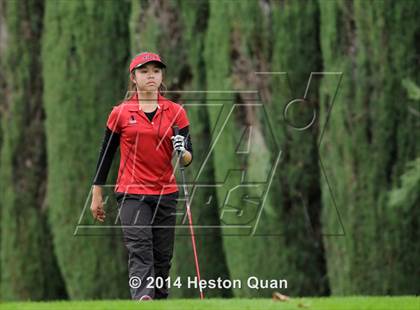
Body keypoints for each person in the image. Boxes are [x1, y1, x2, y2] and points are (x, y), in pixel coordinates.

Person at [90, 52, 193, 301]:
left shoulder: (176, 112)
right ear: (133, 78)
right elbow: (106, 153)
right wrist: (97, 192)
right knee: (140, 248)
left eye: (156, 71)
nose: (151, 76)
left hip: (166, 194)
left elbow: (188, 159)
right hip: (131, 193)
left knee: (162, 257)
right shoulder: (121, 113)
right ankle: (142, 298)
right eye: (144, 71)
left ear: (161, 76)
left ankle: (159, 299)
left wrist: (182, 149)